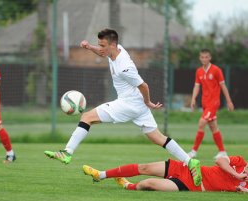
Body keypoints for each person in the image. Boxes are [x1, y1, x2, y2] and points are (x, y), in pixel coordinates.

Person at [44, 28, 202, 186]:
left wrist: (148, 102)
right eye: (99, 44)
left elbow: (144, 86)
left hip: (129, 103)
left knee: (87, 117)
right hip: (136, 104)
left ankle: (67, 152)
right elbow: (102, 53)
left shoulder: (124, 67)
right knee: (157, 137)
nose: (101, 47)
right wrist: (90, 48)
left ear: (113, 45)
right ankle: (190, 161)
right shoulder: (114, 51)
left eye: (103, 45)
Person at [83, 154, 248, 192]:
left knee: (148, 184)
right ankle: (101, 174)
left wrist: (242, 188)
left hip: (190, 185)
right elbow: (219, 160)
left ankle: (127, 185)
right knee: (145, 167)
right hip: (189, 169)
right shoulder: (240, 162)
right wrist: (238, 175)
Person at [188, 49, 234, 159]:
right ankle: (222, 151)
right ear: (200, 58)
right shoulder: (199, 71)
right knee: (213, 127)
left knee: (201, 123)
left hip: (213, 103)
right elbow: (197, 86)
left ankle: (193, 151)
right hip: (205, 103)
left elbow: (223, 86)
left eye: (206, 57)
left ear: (210, 58)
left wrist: (229, 101)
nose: (204, 59)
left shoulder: (216, 70)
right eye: (202, 57)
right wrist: (193, 98)